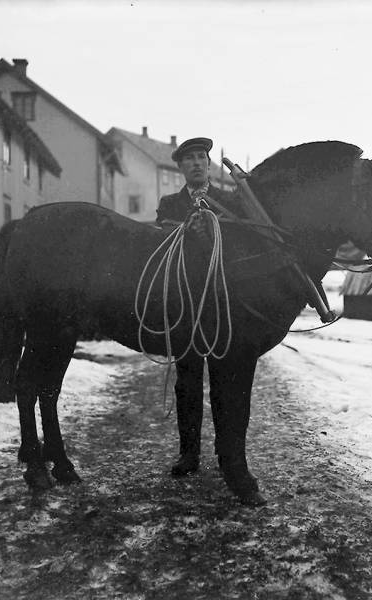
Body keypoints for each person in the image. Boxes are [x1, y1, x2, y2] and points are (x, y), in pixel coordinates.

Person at [155, 136, 239, 479]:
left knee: (223, 383)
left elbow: (237, 241)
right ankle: (188, 454)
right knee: (187, 382)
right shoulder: (171, 203)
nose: (196, 163)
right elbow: (161, 238)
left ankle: (224, 453)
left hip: (220, 303)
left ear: (208, 163)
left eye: (201, 157)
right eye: (189, 158)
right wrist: (184, 230)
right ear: (181, 167)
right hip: (185, 302)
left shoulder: (227, 201)